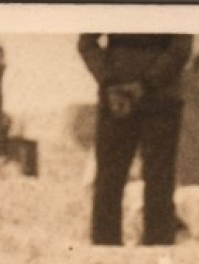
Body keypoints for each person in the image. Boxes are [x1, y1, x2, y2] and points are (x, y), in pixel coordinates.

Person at [79, 34, 192, 246]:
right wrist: (109, 82)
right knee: (110, 179)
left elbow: (182, 47)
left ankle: (157, 251)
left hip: (157, 101)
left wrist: (139, 84)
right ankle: (107, 251)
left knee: (158, 179)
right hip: (123, 100)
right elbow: (86, 43)